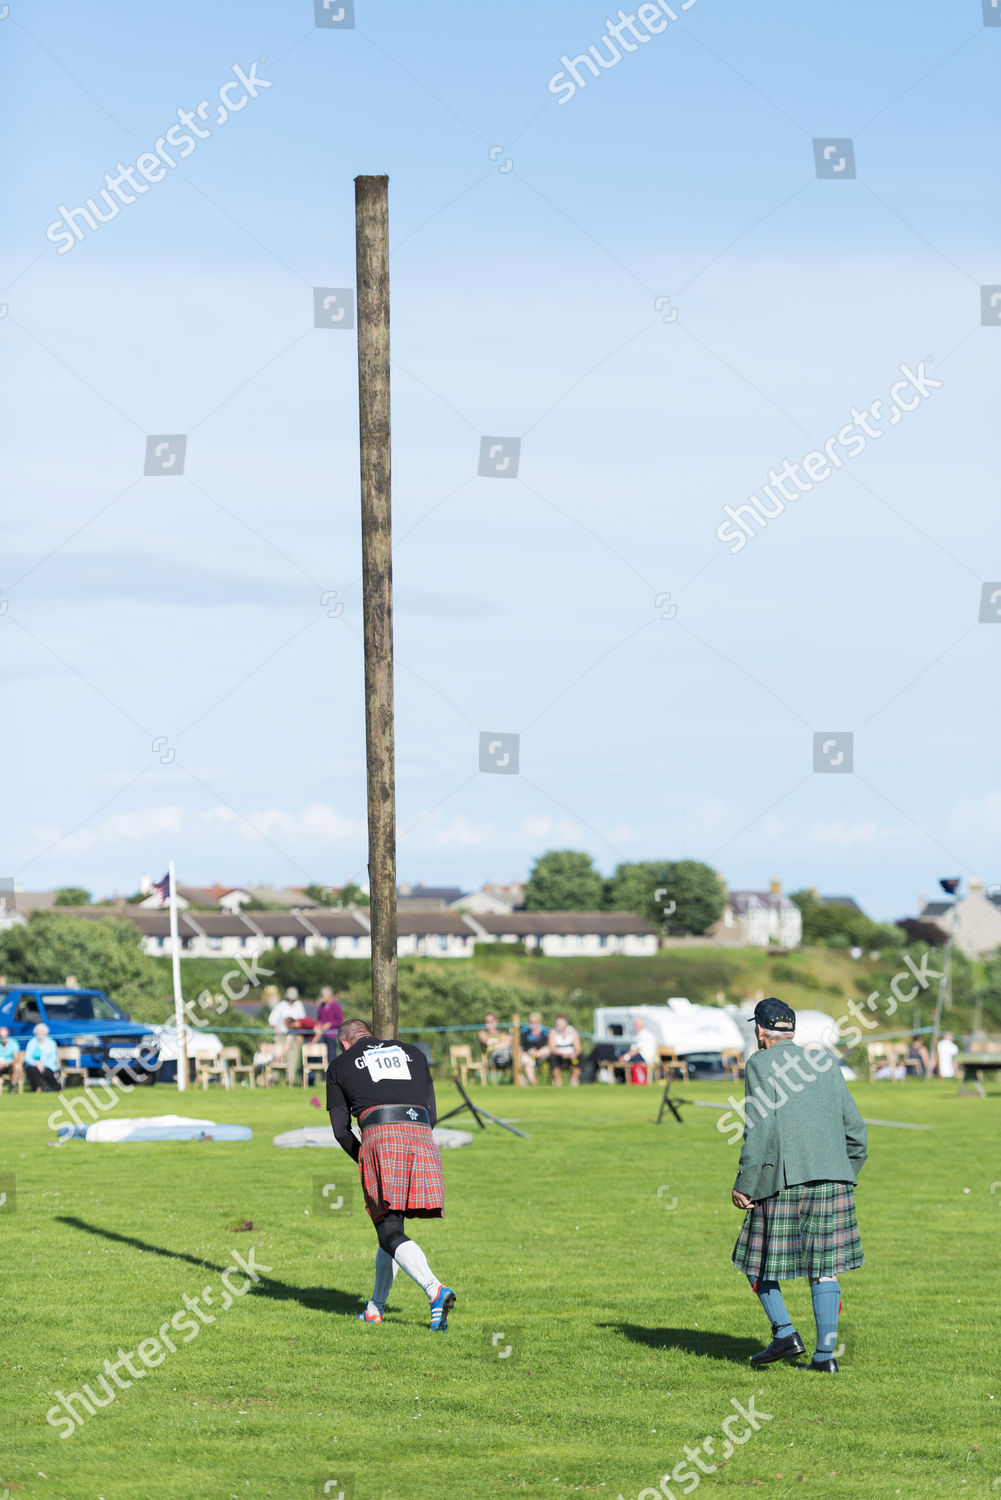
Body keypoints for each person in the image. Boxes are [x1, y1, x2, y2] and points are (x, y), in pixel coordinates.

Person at [730, 997, 867, 1373]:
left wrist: (745, 1183)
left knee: (752, 1259)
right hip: (834, 1180)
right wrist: (844, 1171)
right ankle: (825, 1358)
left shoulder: (760, 1062)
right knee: (824, 1267)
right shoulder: (826, 1062)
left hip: (785, 1180)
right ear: (791, 1030)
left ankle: (785, 1333)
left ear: (760, 1030)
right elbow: (856, 1131)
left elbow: (760, 1128)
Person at [326, 1017, 456, 1331]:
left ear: (344, 1043)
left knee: (389, 1230)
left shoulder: (339, 1065)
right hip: (422, 1137)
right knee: (391, 1226)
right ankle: (375, 1307)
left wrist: (365, 1156)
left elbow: (341, 1131)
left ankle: (434, 1289)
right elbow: (432, 1113)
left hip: (382, 1137)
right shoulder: (414, 1053)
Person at [620, 1014, 658, 1083]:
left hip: (644, 1058)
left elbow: (636, 1050)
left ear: (639, 1025)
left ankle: (621, 1079)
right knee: (622, 1052)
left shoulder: (643, 1034)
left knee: (620, 1053)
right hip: (645, 1057)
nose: (634, 1027)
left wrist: (625, 1057)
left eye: (635, 1025)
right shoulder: (644, 1033)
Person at [24, 1023, 62, 1093]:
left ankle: (55, 1087)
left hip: (47, 1066)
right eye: (38, 1032)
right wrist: (37, 1063)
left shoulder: (51, 1043)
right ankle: (38, 1088)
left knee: (47, 1072)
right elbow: (27, 1057)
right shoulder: (32, 1042)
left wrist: (42, 1065)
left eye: (42, 1032)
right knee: (33, 1070)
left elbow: (53, 1058)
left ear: (45, 1033)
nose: (40, 1033)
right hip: (33, 1065)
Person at [547, 1014, 582, 1086]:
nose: (557, 1025)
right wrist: (562, 1054)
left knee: (582, 1057)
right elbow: (552, 1048)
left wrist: (574, 1054)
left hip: (571, 1054)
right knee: (552, 1057)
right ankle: (558, 1081)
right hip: (558, 1054)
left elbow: (578, 1048)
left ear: (566, 1023)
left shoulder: (572, 1031)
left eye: (559, 1023)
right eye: (556, 1023)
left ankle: (573, 1080)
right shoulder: (552, 1032)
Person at [519, 1012, 550, 1085]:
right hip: (527, 1054)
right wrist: (528, 1052)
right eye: (531, 1022)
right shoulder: (525, 1032)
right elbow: (521, 1045)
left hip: (540, 1055)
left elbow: (546, 1045)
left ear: (539, 1022)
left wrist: (536, 1052)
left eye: (535, 1022)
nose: (532, 1024)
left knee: (547, 1049)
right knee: (527, 1061)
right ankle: (534, 1083)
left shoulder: (544, 1032)